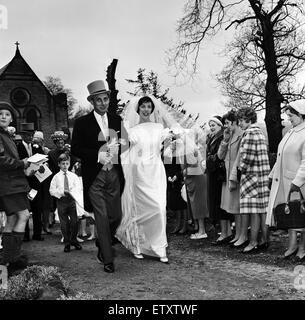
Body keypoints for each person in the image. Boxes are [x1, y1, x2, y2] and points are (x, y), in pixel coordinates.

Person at [71, 80, 127, 273]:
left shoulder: (117, 120)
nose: (102, 103)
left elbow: (125, 145)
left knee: (116, 216)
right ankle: (107, 258)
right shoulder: (82, 123)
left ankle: (102, 242)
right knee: (102, 218)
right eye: (98, 100)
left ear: (108, 100)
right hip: (95, 177)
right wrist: (97, 154)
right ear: (92, 101)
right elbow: (76, 149)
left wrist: (125, 144)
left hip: (114, 174)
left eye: (105, 99)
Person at [115, 96, 173, 263]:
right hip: (140, 172)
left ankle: (159, 248)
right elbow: (125, 150)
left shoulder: (159, 128)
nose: (146, 109)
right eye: (143, 107)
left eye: (149, 106)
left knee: (159, 208)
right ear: (138, 109)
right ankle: (138, 246)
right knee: (140, 210)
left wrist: (173, 139)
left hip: (156, 171)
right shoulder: (132, 130)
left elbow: (167, 150)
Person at [266, 100, 305, 260]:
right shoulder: (291, 131)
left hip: (298, 183)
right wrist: (271, 175)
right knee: (291, 214)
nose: (288, 119)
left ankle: (302, 248)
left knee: (301, 215)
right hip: (284, 181)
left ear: (301, 115)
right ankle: (292, 245)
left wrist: (297, 181)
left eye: (291, 116)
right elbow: (279, 158)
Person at [0, 102, 31, 273]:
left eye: (7, 114)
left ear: (12, 119)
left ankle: (6, 261)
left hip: (13, 183)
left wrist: (27, 168)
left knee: (12, 219)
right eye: (0, 114)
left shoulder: (7, 136)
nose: (3, 116)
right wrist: (22, 163)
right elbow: (1, 161)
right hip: (9, 184)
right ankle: (12, 258)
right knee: (24, 215)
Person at [237, 107, 270, 253]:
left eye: (241, 121)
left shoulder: (249, 133)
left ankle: (253, 242)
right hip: (261, 177)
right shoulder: (260, 133)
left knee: (253, 211)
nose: (240, 124)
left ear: (248, 120)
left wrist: (241, 167)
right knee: (261, 210)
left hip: (251, 177)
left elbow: (248, 157)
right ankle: (264, 240)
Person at [217, 110, 244, 246]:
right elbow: (220, 156)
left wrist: (234, 176)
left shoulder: (241, 135)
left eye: (227, 123)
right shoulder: (229, 135)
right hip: (227, 176)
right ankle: (237, 234)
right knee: (232, 208)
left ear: (234, 122)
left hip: (236, 176)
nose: (226, 126)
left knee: (237, 208)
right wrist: (225, 141)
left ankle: (240, 235)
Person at [206, 116, 232, 242]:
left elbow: (219, 155)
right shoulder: (212, 137)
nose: (211, 127)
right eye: (210, 125)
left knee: (220, 202)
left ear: (220, 125)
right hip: (214, 172)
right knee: (217, 202)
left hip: (219, 173)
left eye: (213, 125)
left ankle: (226, 232)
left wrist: (208, 161)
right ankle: (225, 231)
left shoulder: (221, 137)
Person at [49, 153, 82, 253]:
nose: (65, 166)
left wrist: (73, 192)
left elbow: (79, 187)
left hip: (72, 201)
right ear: (59, 164)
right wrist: (61, 192)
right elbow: (51, 190)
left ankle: (74, 240)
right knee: (64, 224)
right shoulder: (56, 177)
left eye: (67, 163)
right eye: (63, 163)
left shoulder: (73, 176)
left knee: (75, 222)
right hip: (62, 201)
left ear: (69, 164)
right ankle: (67, 243)